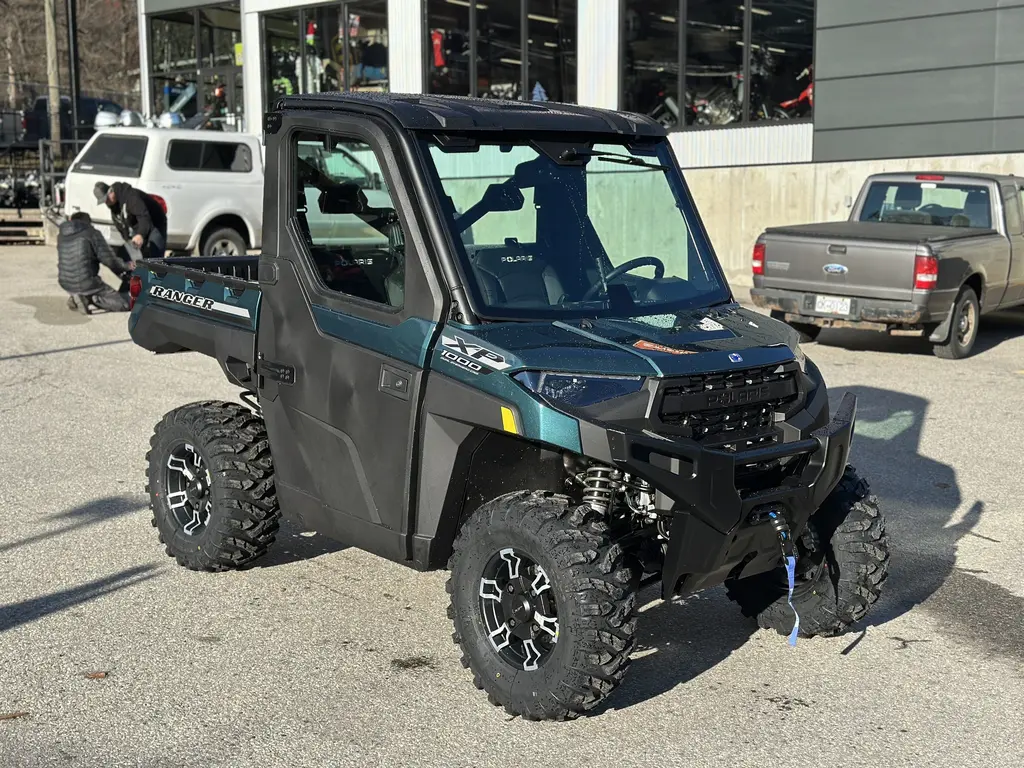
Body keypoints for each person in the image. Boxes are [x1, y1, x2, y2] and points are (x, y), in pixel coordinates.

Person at [57, 212, 135, 314]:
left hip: (65, 282)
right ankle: (89, 298)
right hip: (88, 283)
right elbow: (109, 261)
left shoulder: (61, 235)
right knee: (125, 304)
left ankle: (77, 297)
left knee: (81, 283)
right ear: (88, 222)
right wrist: (127, 266)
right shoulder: (92, 233)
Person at [93, 180, 167, 260]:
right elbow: (121, 226)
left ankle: (156, 265)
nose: (107, 202)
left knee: (155, 254)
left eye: (107, 199)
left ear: (111, 191)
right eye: (104, 201)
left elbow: (143, 216)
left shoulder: (131, 196)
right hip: (138, 224)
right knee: (136, 253)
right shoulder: (114, 206)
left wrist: (140, 234)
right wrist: (128, 240)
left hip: (155, 222)